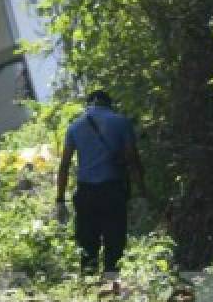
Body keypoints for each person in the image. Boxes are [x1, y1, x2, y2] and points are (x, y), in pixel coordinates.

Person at [55, 90, 148, 283]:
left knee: (87, 242)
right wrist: (141, 192)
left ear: (88, 105)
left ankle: (89, 285)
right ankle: (111, 283)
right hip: (113, 191)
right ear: (109, 104)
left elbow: (64, 165)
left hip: (86, 193)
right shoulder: (121, 122)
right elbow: (132, 158)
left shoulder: (74, 127)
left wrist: (60, 199)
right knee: (115, 241)